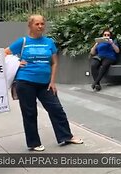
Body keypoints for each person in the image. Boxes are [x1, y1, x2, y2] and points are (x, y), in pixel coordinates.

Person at [5, 15, 83, 152]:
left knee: (57, 109)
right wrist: (17, 62)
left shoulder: (49, 42)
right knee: (29, 113)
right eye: (37, 24)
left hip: (45, 83)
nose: (40, 26)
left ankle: (66, 136)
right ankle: (33, 143)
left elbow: (54, 62)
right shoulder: (23, 41)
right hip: (25, 81)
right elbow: (4, 53)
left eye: (42, 24)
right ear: (30, 26)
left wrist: (53, 81)